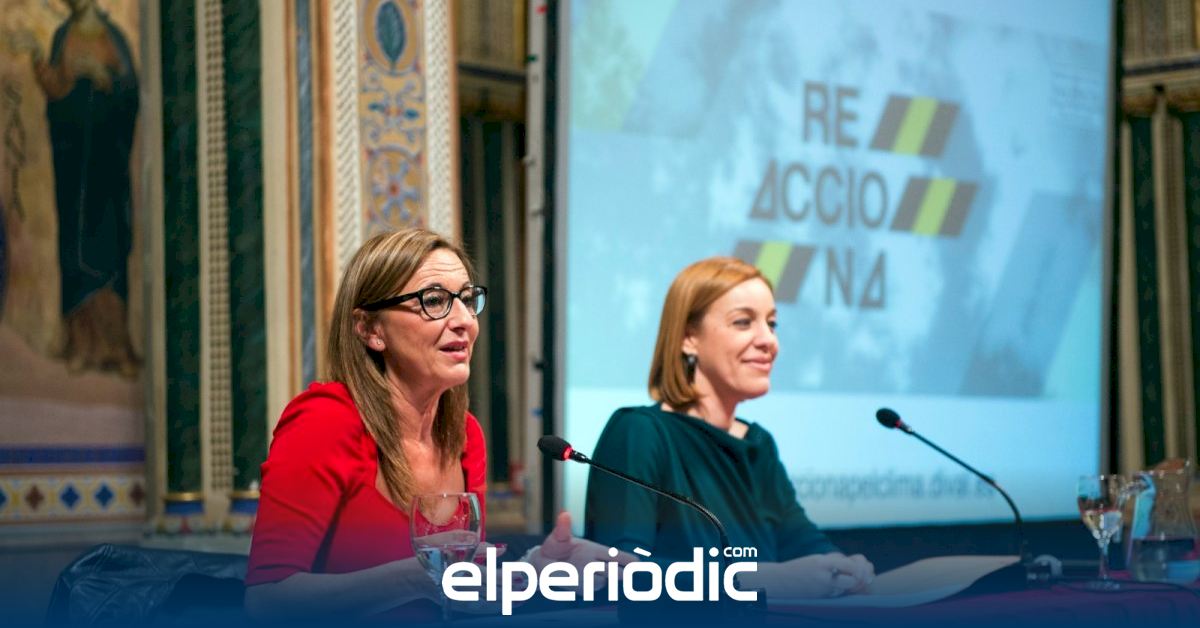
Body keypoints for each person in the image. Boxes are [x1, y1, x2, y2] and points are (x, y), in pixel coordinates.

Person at [245, 229, 630, 619]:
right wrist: (418, 578)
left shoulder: (465, 435)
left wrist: (535, 571)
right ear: (371, 329)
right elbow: (266, 602)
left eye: (467, 299)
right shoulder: (326, 420)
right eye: (434, 301)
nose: (464, 321)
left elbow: (461, 595)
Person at [584, 256, 874, 599]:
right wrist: (768, 580)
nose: (768, 341)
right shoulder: (640, 432)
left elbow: (801, 540)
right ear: (688, 338)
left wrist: (842, 566)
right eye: (743, 322)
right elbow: (621, 573)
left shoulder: (758, 444)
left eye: (772, 324)